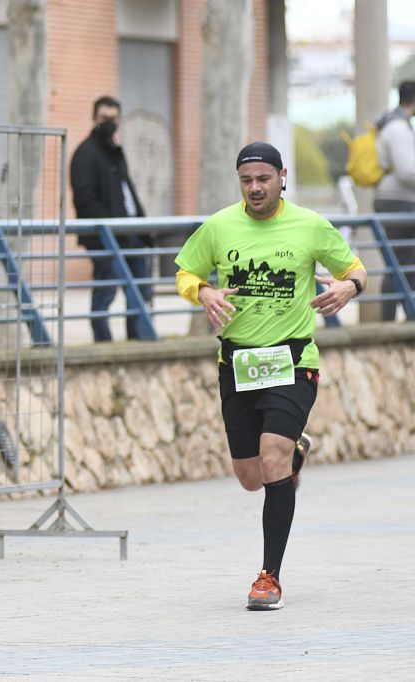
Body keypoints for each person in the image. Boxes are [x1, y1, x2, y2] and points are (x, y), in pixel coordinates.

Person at [175, 142, 367, 611]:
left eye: (264, 179)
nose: (256, 188)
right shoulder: (220, 226)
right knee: (249, 477)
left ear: (282, 177)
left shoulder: (309, 225)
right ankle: (297, 452)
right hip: (237, 364)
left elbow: (356, 268)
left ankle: (269, 577)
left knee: (273, 459)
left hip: (293, 361)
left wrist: (349, 285)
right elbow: (185, 271)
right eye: (247, 181)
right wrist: (202, 293)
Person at [70, 95, 153, 342]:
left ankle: (138, 339)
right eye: (105, 118)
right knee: (105, 293)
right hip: (106, 238)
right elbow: (85, 199)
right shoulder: (85, 154)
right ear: (94, 118)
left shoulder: (114, 151)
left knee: (140, 291)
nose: (110, 122)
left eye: (114, 118)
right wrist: (108, 230)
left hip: (130, 235)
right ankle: (102, 342)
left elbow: (127, 192)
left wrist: (143, 227)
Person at [373, 80, 415, 321]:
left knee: (404, 264)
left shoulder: (393, 124)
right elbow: (407, 171)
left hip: (395, 201)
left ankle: (403, 316)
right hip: (398, 202)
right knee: (399, 264)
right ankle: (388, 320)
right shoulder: (398, 128)